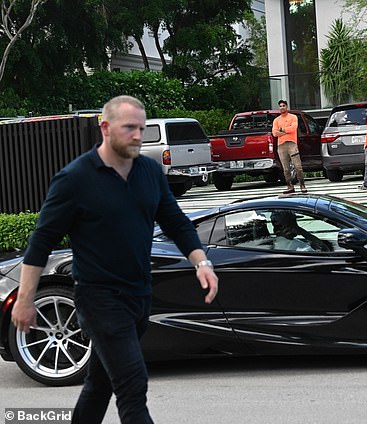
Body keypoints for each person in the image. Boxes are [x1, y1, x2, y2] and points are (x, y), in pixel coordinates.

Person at [10, 95, 218, 424]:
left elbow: (175, 222)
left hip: (139, 296)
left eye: (141, 128)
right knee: (132, 385)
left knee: (99, 384)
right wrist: (24, 300)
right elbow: (41, 243)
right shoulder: (75, 179)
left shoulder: (149, 171)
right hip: (99, 300)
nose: (138, 135)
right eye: (129, 128)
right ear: (104, 128)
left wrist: (201, 263)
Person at [272, 100, 307, 194]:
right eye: (280, 106)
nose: (282, 107)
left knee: (297, 166)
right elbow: (274, 133)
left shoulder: (293, 117)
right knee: (286, 168)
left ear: (287, 107)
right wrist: (286, 131)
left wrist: (282, 130)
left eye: (283, 106)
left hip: (292, 144)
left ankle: (302, 185)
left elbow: (293, 128)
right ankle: (289, 186)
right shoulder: (276, 120)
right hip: (281, 145)